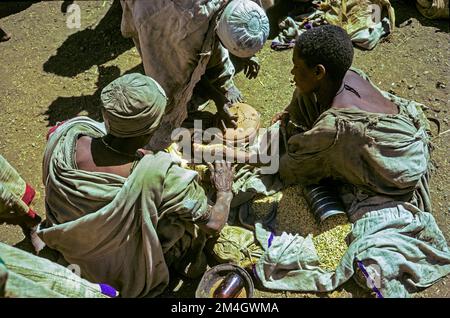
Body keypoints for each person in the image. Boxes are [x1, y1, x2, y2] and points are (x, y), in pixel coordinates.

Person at [263, 25, 450, 297]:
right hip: (389, 131)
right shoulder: (349, 75)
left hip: (398, 166)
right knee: (302, 102)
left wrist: (272, 155)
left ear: (319, 72)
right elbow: (303, 102)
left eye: (296, 67)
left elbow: (293, 170)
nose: (291, 73)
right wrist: (291, 115)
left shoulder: (336, 127)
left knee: (300, 168)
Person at [38, 73, 235, 298]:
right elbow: (214, 223)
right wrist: (224, 189)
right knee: (184, 223)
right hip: (122, 271)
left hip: (72, 247)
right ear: (152, 129)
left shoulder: (69, 132)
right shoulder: (158, 173)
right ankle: (174, 261)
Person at [120, 0, 269, 150]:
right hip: (155, 9)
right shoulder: (183, 31)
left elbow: (245, 22)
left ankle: (219, 79)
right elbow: (187, 72)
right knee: (169, 77)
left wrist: (248, 54)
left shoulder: (230, 13)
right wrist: (217, 98)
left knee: (208, 45)